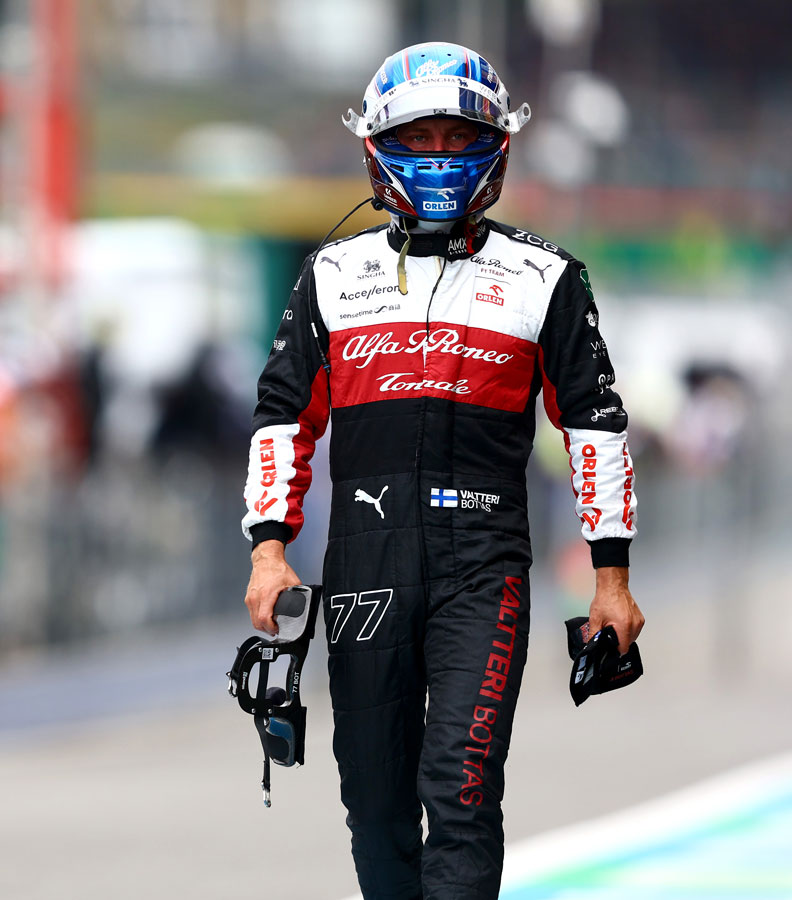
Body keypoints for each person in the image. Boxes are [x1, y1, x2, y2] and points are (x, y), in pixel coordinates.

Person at [240, 43, 645, 900]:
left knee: (459, 790)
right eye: (416, 138)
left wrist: (612, 578)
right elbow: (283, 414)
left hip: (484, 565)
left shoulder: (549, 277)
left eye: (454, 138)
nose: (435, 156)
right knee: (374, 798)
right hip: (363, 566)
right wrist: (269, 550)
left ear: (495, 146)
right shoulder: (330, 274)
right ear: (376, 147)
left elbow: (597, 427)